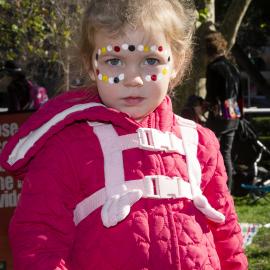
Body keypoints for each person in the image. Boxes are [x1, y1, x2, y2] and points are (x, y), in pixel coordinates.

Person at [0, 1, 247, 269]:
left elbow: (227, 237)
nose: (133, 79)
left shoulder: (201, 144)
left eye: (151, 60)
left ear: (176, 62)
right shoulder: (66, 149)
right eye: (114, 60)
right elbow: (39, 242)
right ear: (91, 64)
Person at [205, 32, 243, 192]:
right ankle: (228, 189)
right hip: (234, 110)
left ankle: (213, 187)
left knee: (210, 149)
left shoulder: (213, 68)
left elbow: (212, 93)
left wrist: (205, 105)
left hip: (220, 111)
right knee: (226, 152)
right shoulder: (233, 66)